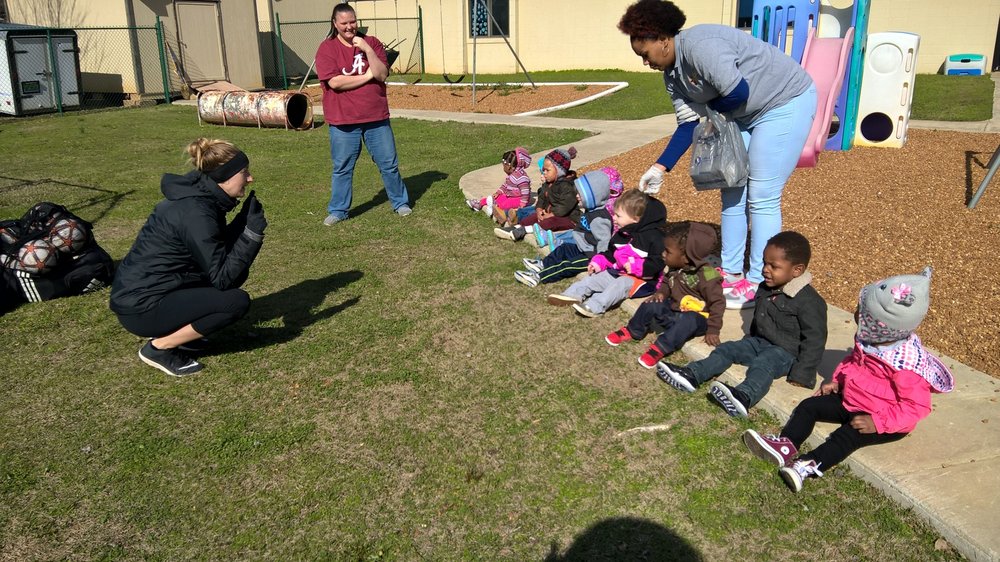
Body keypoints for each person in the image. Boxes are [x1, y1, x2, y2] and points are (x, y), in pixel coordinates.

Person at [618, 0, 818, 309]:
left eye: (644, 54)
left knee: (762, 194)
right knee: (731, 190)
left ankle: (757, 284)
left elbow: (738, 92)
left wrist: (710, 112)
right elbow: (687, 126)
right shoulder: (672, 76)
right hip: (745, 115)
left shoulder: (701, 46)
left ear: (663, 39)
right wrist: (659, 167)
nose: (645, 62)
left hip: (783, 103)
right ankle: (731, 270)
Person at [742, 267, 953, 492]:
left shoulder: (906, 366)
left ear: (879, 326)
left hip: (882, 417)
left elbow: (916, 407)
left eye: (861, 312)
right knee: (809, 406)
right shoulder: (873, 341)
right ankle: (786, 445)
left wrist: (877, 423)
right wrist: (837, 380)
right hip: (851, 399)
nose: (855, 312)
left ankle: (807, 465)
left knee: (847, 436)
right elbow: (852, 361)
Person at [110, 138, 266, 377]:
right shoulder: (197, 213)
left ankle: (185, 337)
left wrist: (240, 224)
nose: (250, 178)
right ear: (224, 177)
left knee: (221, 288)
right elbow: (224, 278)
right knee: (235, 301)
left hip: (150, 293)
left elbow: (214, 252)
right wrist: (251, 234)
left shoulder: (200, 200)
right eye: (244, 172)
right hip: (141, 307)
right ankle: (159, 348)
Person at [657, 231, 827, 417]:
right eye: (764, 262)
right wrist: (749, 340)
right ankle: (691, 375)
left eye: (774, 266)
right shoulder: (766, 287)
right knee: (728, 349)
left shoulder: (809, 302)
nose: (765, 269)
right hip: (760, 341)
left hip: (786, 352)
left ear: (797, 270)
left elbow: (815, 339)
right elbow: (761, 316)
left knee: (764, 364)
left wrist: (802, 374)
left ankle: (743, 397)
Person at [316, 2, 411, 225]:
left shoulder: (372, 43)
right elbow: (336, 82)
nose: (349, 27)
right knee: (342, 168)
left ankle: (400, 203)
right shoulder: (326, 48)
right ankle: (338, 210)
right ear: (335, 23)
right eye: (344, 23)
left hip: (376, 118)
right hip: (343, 121)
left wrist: (367, 49)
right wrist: (367, 77)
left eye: (353, 22)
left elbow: (382, 74)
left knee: (388, 164)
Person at [605, 221, 724, 368]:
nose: (663, 254)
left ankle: (660, 347)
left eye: (667, 251)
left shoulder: (708, 276)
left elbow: (718, 303)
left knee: (690, 319)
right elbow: (667, 282)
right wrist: (661, 293)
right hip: (674, 311)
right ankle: (633, 329)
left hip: (696, 319)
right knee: (652, 303)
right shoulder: (676, 266)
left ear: (686, 257)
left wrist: (713, 329)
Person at [546, 189, 666, 318]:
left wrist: (637, 266)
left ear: (636, 219)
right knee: (594, 279)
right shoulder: (622, 234)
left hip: (643, 281)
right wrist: (599, 262)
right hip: (617, 273)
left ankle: (595, 305)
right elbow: (610, 254)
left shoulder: (655, 238)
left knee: (619, 285)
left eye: (618, 216)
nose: (613, 218)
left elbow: (658, 262)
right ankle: (571, 295)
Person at [514, 169, 617, 287]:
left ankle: (539, 277)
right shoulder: (591, 209)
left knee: (567, 266)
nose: (577, 196)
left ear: (593, 196)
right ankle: (542, 264)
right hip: (581, 248)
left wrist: (599, 262)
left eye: (581, 194)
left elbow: (604, 242)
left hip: (590, 257)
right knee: (563, 248)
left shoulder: (600, 218)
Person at [494, 147, 579, 242]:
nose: (544, 173)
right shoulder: (548, 183)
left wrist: (551, 214)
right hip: (548, 212)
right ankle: (517, 226)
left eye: (548, 170)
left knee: (549, 222)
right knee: (532, 217)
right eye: (543, 170)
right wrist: (539, 209)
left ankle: (523, 231)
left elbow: (564, 206)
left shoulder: (567, 186)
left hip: (567, 218)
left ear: (559, 171)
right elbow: (542, 197)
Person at [466, 147, 532, 224]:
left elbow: (525, 193)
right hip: (509, 195)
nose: (503, 167)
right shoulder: (512, 174)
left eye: (504, 166)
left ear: (509, 166)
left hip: (518, 199)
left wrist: (522, 205)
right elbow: (505, 185)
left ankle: (495, 208)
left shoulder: (521, 178)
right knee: (498, 197)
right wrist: (498, 192)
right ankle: (480, 203)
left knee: (506, 204)